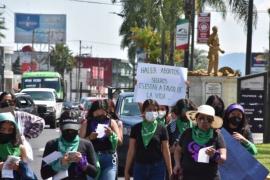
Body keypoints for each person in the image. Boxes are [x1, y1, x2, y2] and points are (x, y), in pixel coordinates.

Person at [41, 110, 98, 180]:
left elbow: (95, 173)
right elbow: (44, 174)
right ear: (61, 127)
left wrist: (83, 163)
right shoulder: (52, 145)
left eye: (73, 129)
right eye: (67, 129)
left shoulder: (86, 144)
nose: (70, 132)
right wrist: (60, 163)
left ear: (78, 128)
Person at [173, 105, 226, 180]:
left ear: (212, 122)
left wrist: (215, 155)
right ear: (196, 119)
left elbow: (223, 158)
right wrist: (177, 164)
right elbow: (178, 150)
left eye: (209, 119)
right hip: (187, 177)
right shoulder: (187, 133)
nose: (204, 121)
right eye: (201, 118)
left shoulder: (216, 135)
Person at [125, 99, 172, 180]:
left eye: (155, 110)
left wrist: (170, 171)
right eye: (149, 110)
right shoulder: (136, 128)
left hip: (157, 168)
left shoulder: (162, 128)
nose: (152, 112)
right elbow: (131, 150)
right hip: (140, 167)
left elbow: (166, 150)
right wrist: (126, 171)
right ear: (143, 111)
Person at [80, 100, 122, 180]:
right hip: (91, 159)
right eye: (97, 114)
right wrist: (89, 138)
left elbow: (119, 141)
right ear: (92, 112)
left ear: (106, 112)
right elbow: (79, 143)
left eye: (102, 114)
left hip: (109, 159)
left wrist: (111, 134)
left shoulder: (112, 122)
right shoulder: (86, 123)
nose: (100, 117)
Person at [0, 112, 37, 179]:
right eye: (2, 129)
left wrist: (18, 167)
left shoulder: (20, 148)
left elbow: (27, 172)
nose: (6, 132)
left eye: (10, 130)